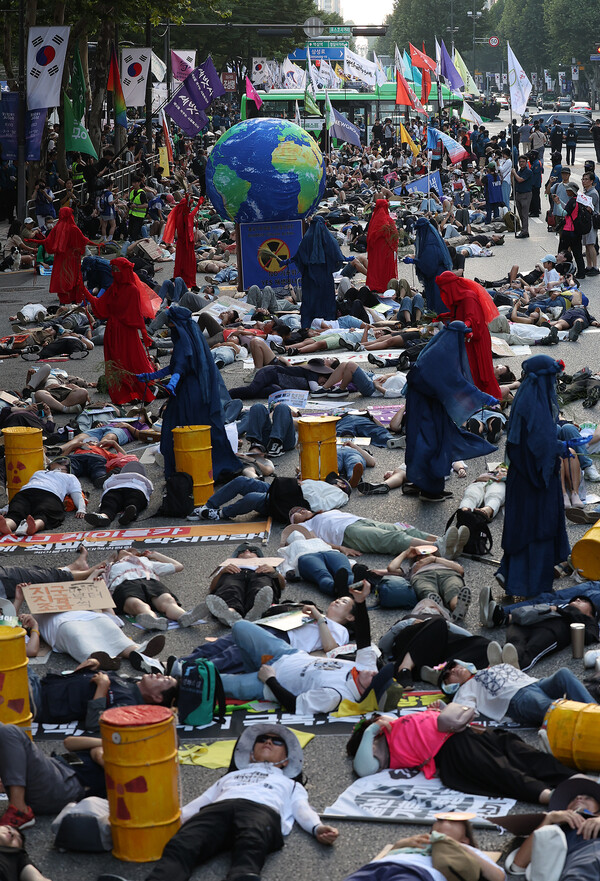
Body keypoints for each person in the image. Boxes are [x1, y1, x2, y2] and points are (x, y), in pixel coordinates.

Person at [97, 723, 339, 881]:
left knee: (252, 840)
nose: (268, 742)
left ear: (286, 761)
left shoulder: (290, 783)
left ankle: (244, 875)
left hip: (261, 811)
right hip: (218, 809)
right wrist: (169, 824)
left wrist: (317, 828)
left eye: (277, 742)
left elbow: (301, 809)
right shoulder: (230, 777)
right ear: (251, 754)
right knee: (182, 844)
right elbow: (201, 802)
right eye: (262, 739)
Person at [347, 709, 575, 804]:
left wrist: (439, 709)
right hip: (450, 749)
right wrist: (370, 731)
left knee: (521, 752)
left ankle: (578, 781)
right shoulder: (379, 743)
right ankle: (551, 796)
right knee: (499, 769)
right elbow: (363, 768)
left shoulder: (398, 724)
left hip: (468, 731)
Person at [137, 305, 241, 481]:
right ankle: (205, 466)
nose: (168, 326)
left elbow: (180, 367)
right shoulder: (189, 337)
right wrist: (152, 375)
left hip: (188, 393)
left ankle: (188, 470)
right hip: (194, 391)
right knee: (203, 427)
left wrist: (173, 382)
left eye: (169, 323)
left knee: (179, 429)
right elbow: (175, 366)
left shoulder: (184, 341)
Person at [497, 356, 571, 598]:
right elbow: (540, 445)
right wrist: (559, 448)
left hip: (521, 476)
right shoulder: (537, 403)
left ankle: (511, 575)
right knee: (539, 528)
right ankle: (534, 586)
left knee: (521, 527)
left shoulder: (525, 396)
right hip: (537, 478)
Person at [404, 321, 499, 500]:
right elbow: (454, 382)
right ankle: (429, 489)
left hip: (427, 402)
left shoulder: (439, 348)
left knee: (430, 442)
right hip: (425, 405)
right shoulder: (442, 353)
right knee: (431, 443)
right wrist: (483, 398)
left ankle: (425, 483)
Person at [340, 815, 505, 881]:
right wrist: (397, 846)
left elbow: (499, 877)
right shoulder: (418, 841)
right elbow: (383, 857)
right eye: (440, 819)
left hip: (415, 874)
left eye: (453, 820)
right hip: (375, 868)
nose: (444, 820)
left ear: (465, 839)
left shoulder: (468, 850)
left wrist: (459, 846)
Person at [85, 257, 157, 404]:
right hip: (112, 332)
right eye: (113, 270)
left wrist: (144, 334)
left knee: (133, 361)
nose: (114, 273)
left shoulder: (132, 290)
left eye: (117, 270)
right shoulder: (114, 287)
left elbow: (137, 316)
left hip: (127, 333)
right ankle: (124, 395)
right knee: (116, 364)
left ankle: (142, 391)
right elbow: (100, 304)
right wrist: (84, 292)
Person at [439, 660, 596, 727]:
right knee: (554, 707)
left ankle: (595, 712)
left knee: (564, 674)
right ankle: (594, 726)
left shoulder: (485, 669)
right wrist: (442, 709)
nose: (453, 669)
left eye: (453, 665)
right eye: (448, 675)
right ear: (449, 687)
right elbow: (464, 711)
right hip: (516, 699)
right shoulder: (464, 690)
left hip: (535, 683)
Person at [506, 774, 600, 881]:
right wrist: (549, 819)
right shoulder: (556, 829)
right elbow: (518, 865)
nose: (579, 797)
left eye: (588, 798)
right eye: (573, 799)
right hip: (578, 868)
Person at [436, 273, 502, 399]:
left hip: (476, 339)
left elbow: (472, 317)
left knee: (478, 370)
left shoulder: (468, 297)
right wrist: (446, 316)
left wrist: (464, 326)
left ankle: (487, 398)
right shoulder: (459, 299)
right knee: (469, 369)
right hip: (467, 337)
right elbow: (460, 314)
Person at [103, 548, 203, 631]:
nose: (128, 552)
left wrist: (155, 555)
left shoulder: (146, 562)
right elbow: (94, 580)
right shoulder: (109, 567)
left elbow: (179, 566)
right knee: (138, 605)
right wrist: (107, 563)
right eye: (124, 551)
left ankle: (185, 616)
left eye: (131, 551)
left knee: (168, 601)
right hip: (125, 584)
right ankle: (152, 620)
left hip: (150, 581)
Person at [286, 216, 346, 328]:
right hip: (325, 277)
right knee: (326, 301)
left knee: (310, 302)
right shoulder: (328, 238)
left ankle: (307, 326)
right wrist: (345, 259)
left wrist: (288, 261)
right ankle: (328, 325)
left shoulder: (307, 238)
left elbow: (299, 256)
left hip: (310, 278)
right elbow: (337, 255)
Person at [204, 543, 284, 626]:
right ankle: (229, 613)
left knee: (261, 588)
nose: (247, 550)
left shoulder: (268, 564)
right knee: (230, 588)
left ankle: (257, 612)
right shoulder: (228, 565)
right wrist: (222, 572)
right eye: (242, 551)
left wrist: (274, 573)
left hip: (259, 574)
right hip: (234, 574)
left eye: (252, 550)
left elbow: (282, 585)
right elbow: (212, 587)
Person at [0, 460, 85, 537]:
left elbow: (26, 487)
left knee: (15, 513)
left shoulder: (39, 473)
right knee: (45, 515)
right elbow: (77, 495)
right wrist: (81, 509)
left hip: (24, 493)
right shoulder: (70, 477)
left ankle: (7, 524)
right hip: (49, 495)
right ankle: (34, 526)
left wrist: (7, 507)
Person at [43, 206, 94, 305]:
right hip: (72, 259)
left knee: (61, 278)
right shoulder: (73, 228)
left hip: (60, 258)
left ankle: (62, 302)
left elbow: (48, 242)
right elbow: (83, 241)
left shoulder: (56, 228)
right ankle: (74, 301)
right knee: (73, 278)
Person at [405, 217, 453, 314]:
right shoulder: (431, 237)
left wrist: (414, 261)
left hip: (437, 275)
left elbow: (429, 263)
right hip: (435, 273)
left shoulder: (430, 242)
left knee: (438, 299)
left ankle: (441, 318)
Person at [84, 461, 153, 528]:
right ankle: (128, 513)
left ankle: (104, 515)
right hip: (135, 489)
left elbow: (106, 485)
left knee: (110, 502)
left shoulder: (115, 477)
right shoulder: (142, 479)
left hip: (115, 489)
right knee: (134, 500)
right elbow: (150, 489)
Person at [162, 194, 199, 288]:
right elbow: (190, 215)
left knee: (181, 263)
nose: (190, 207)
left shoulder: (181, 215)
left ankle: (181, 279)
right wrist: (197, 205)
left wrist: (196, 205)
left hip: (182, 244)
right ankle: (188, 281)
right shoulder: (184, 216)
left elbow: (191, 214)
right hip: (186, 245)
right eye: (189, 205)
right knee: (189, 264)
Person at [365, 199, 398, 293]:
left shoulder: (373, 220)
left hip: (375, 251)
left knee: (376, 269)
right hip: (386, 250)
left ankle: (374, 286)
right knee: (385, 269)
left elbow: (369, 238)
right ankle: (386, 286)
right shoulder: (388, 220)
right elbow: (394, 237)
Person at [512, 155, 533, 239]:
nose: (521, 163)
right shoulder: (519, 171)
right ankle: (524, 230)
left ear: (526, 162)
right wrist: (512, 174)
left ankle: (524, 231)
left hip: (526, 194)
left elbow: (520, 180)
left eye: (523, 162)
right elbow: (514, 182)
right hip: (518, 194)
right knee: (520, 214)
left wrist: (514, 173)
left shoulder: (528, 171)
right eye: (520, 162)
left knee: (524, 214)